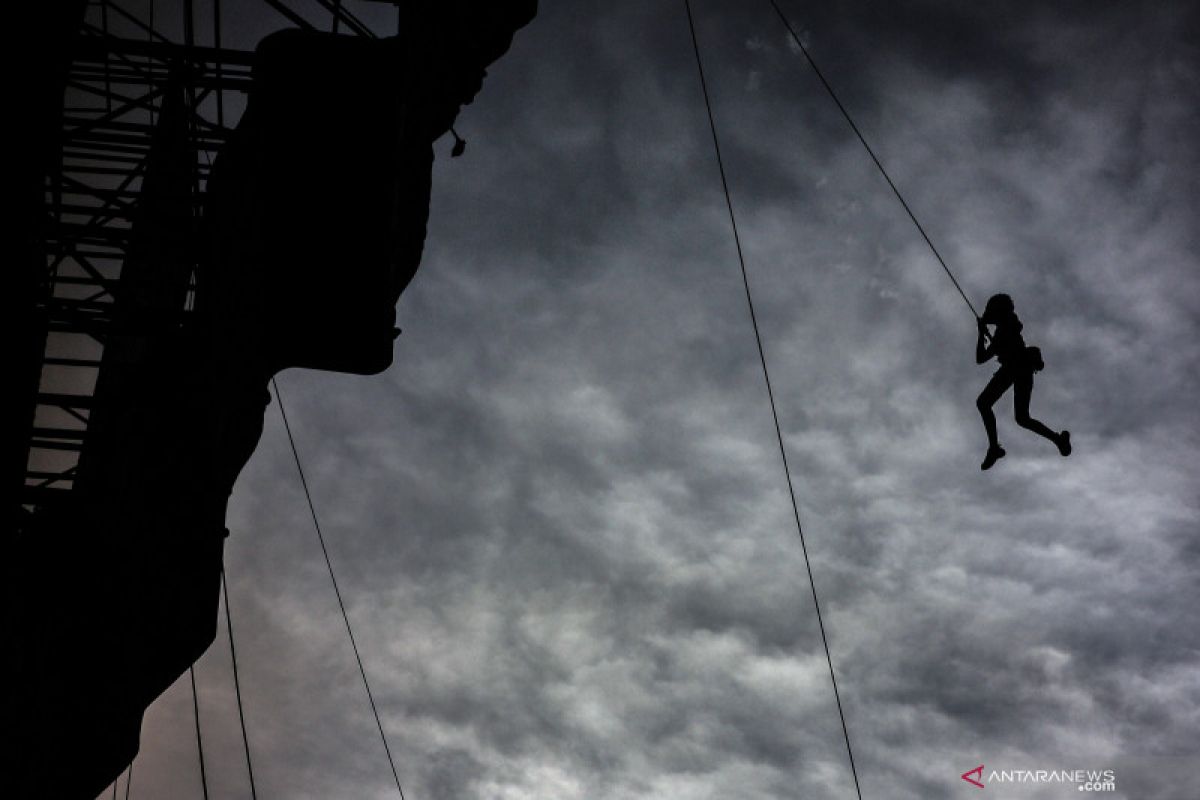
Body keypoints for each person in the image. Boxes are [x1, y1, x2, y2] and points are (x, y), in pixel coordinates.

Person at [974, 293, 1071, 470]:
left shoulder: (1006, 327)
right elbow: (991, 320)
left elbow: (980, 358)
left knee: (986, 404)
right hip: (1018, 369)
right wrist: (983, 329)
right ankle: (1057, 439)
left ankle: (994, 448)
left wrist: (981, 333)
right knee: (1021, 417)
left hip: (1016, 368)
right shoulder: (1006, 325)